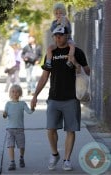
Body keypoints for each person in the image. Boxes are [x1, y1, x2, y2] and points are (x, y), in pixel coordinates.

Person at [31, 26, 90, 171]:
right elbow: (45, 76)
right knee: (50, 128)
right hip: (54, 97)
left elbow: (87, 71)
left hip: (71, 98)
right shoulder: (51, 53)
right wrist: (35, 95)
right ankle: (55, 153)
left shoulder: (77, 51)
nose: (57, 38)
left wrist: (76, 64)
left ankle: (67, 159)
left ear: (67, 36)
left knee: (70, 130)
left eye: (60, 35)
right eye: (55, 36)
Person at [3, 84, 35, 171]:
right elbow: (5, 114)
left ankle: (21, 158)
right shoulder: (8, 104)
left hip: (20, 129)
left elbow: (29, 112)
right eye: (13, 92)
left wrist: (32, 107)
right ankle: (12, 162)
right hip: (10, 129)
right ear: (10, 93)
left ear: (20, 94)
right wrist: (4, 114)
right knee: (10, 145)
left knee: (21, 146)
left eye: (17, 92)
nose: (15, 93)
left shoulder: (22, 103)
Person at [42, 2, 80, 72]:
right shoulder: (54, 22)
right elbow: (52, 29)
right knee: (49, 48)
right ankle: (48, 63)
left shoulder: (66, 21)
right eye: (56, 13)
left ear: (64, 14)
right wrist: (57, 23)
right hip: (57, 42)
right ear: (54, 14)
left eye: (60, 13)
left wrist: (65, 24)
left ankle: (70, 61)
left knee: (72, 46)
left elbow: (69, 31)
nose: (58, 15)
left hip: (67, 40)